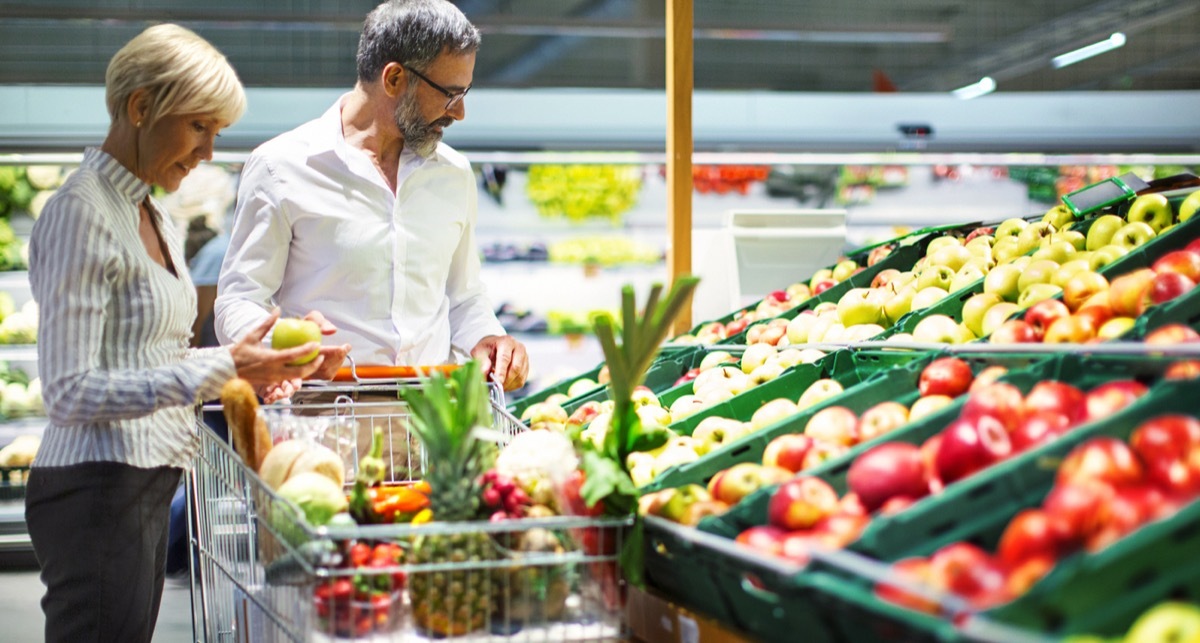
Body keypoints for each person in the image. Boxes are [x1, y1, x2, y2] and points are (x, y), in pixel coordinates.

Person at [25, 24, 348, 642]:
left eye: (216, 133)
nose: (207, 151)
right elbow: (69, 392)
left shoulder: (154, 212)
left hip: (144, 480)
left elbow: (157, 358)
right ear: (141, 107)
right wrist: (228, 367)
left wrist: (268, 358)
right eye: (199, 126)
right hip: (96, 488)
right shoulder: (81, 211)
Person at [214, 0, 529, 391]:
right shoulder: (281, 167)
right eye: (450, 94)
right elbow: (239, 301)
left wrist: (487, 339)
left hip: (430, 428)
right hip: (323, 424)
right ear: (394, 78)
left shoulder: (453, 174)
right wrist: (283, 345)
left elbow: (462, 296)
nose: (460, 112)